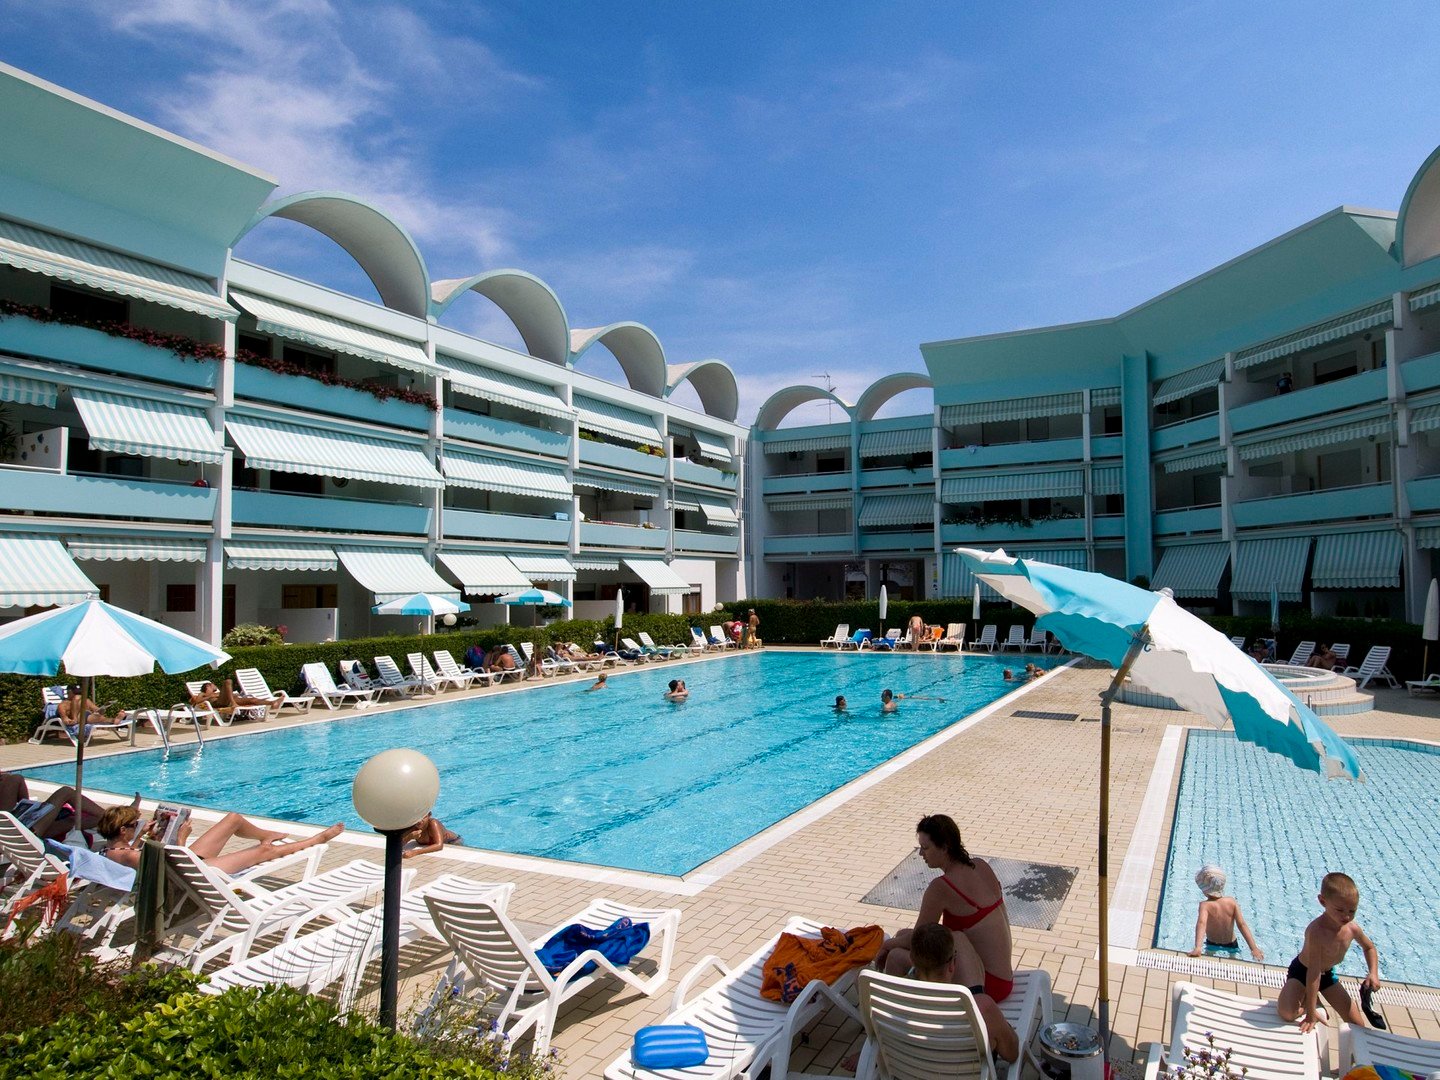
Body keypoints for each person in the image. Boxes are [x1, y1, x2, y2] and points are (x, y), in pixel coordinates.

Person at [873, 815, 1020, 1063]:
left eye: (926, 847)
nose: (921, 854)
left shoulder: (941, 887)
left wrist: (886, 945)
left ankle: (892, 1030)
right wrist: (897, 938)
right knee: (902, 936)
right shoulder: (980, 865)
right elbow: (923, 934)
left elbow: (917, 939)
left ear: (945, 847)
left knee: (896, 955)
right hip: (1003, 976)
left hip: (984, 987)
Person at [97, 804, 343, 876]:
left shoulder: (113, 851)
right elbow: (180, 868)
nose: (140, 826)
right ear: (123, 830)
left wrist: (140, 837)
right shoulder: (130, 856)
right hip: (194, 872)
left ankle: (264, 833)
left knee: (233, 818)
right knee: (264, 851)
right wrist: (181, 838)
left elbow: (140, 857)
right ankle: (316, 839)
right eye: (135, 825)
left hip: (188, 864)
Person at [1276, 872, 1381, 1033]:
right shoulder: (1316, 932)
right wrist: (1311, 1013)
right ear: (1322, 901)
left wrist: (1373, 973)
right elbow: (1313, 974)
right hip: (1303, 973)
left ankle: (1311, 1000)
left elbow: (1369, 948)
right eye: (1340, 910)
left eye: (1352, 911)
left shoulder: (1352, 929)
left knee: (1357, 1025)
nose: (1346, 916)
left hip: (1326, 975)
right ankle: (1310, 1003)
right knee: (1287, 1013)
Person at [0, 771, 117, 840]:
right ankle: (116, 817)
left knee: (15, 778)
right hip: (18, 836)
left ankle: (113, 820)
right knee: (65, 792)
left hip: (12, 829)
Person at [1188, 864, 1263, 960]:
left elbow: (1201, 923)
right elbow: (1242, 925)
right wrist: (1254, 948)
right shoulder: (1232, 902)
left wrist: (1198, 947)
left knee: (1208, 962)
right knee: (1233, 962)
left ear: (1205, 889)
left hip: (1212, 944)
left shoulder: (1205, 905)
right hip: (1231, 944)